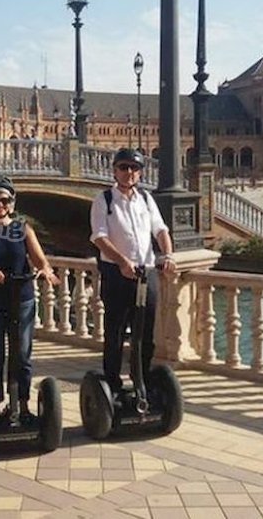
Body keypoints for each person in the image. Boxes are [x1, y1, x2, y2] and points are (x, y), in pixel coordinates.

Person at [89, 147, 176, 400]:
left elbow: (161, 230)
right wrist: (122, 261)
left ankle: (143, 380)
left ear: (140, 173)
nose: (129, 173)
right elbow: (99, 237)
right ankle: (113, 384)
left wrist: (167, 254)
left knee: (146, 332)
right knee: (115, 331)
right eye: (124, 167)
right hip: (117, 274)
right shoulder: (104, 200)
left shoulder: (146, 200)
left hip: (145, 273)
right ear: (115, 171)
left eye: (134, 168)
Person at [0, 176, 59, 420]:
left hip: (22, 297)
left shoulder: (23, 228)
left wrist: (45, 271)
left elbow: (41, 260)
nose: (0, 205)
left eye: (4, 200)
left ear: (12, 202)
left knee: (21, 354)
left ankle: (22, 404)